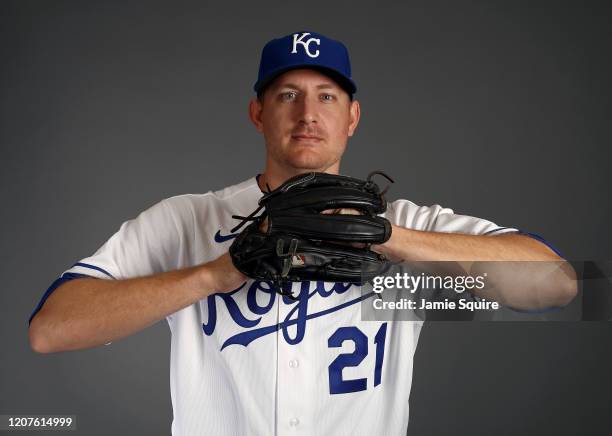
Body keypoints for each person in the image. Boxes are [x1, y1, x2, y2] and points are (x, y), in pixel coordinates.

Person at [28, 31, 576, 435]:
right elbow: (51, 330)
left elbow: (558, 287)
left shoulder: (413, 227)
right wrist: (215, 273)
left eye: (327, 96)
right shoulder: (188, 220)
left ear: (353, 117)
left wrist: (385, 236)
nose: (308, 113)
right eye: (287, 95)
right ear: (257, 113)